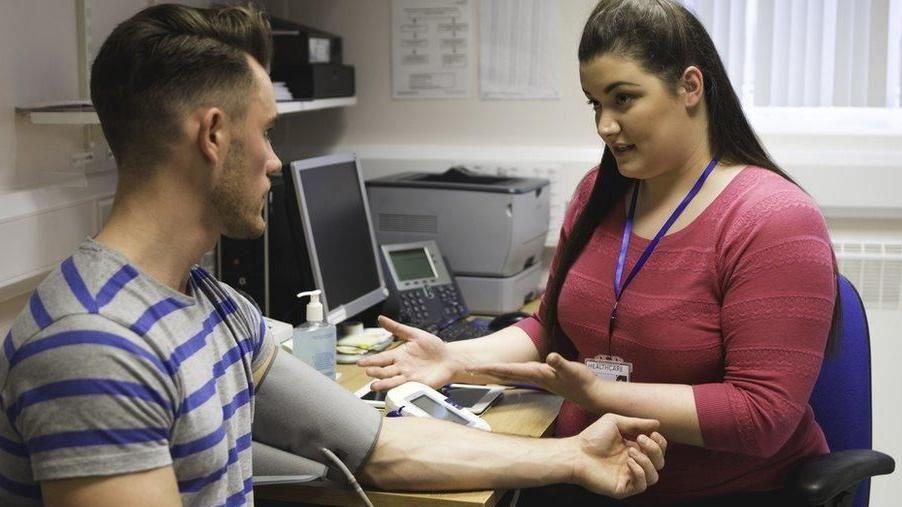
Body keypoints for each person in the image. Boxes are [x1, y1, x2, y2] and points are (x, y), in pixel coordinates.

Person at [0, 4, 667, 506]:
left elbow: (375, 443)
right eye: (266, 133)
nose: (274, 163)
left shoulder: (215, 307)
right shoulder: (94, 345)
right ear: (211, 133)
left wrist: (573, 455)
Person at [360, 0, 838, 505]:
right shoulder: (599, 193)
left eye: (623, 98)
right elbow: (551, 327)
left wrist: (599, 395)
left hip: (722, 493)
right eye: (595, 104)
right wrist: (454, 358)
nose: (605, 125)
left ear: (690, 87)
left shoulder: (774, 218)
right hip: (587, 472)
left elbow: (761, 416)